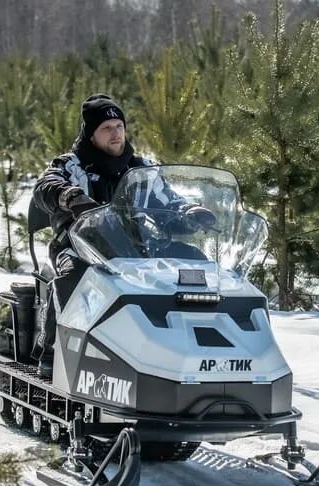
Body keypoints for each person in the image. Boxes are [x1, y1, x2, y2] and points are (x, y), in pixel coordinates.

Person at [29, 93, 215, 376]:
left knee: (193, 262)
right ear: (91, 134)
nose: (115, 133)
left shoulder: (140, 168)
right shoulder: (71, 165)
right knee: (74, 275)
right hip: (80, 246)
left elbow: (168, 202)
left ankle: (196, 345)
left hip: (135, 249)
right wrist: (69, 196)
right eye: (106, 128)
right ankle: (53, 351)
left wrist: (190, 212)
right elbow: (46, 186)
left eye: (119, 126)